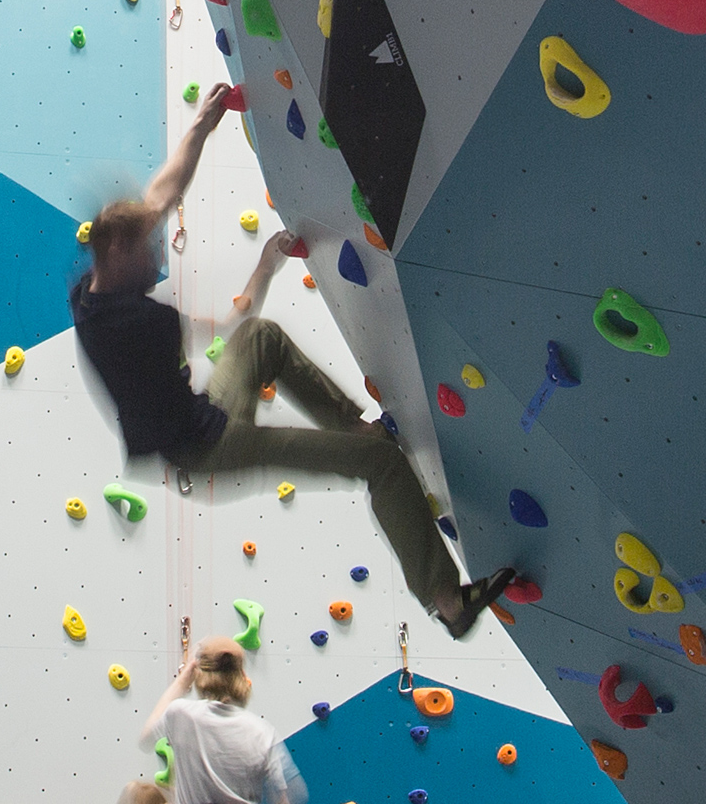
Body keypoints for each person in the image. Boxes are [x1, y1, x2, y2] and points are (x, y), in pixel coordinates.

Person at [70, 83, 512, 638]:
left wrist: (202, 125)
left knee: (263, 341)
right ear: (117, 251)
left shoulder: (91, 289)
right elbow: (229, 320)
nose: (157, 255)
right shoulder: (137, 325)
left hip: (201, 414)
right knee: (383, 466)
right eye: (148, 249)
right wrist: (266, 264)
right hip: (205, 450)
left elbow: (160, 196)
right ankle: (447, 600)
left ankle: (356, 428)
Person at [120, 637, 306, 804]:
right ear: (241, 676)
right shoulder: (261, 732)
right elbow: (289, 796)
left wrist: (183, 680)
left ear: (199, 674)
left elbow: (146, 739)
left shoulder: (181, 715)